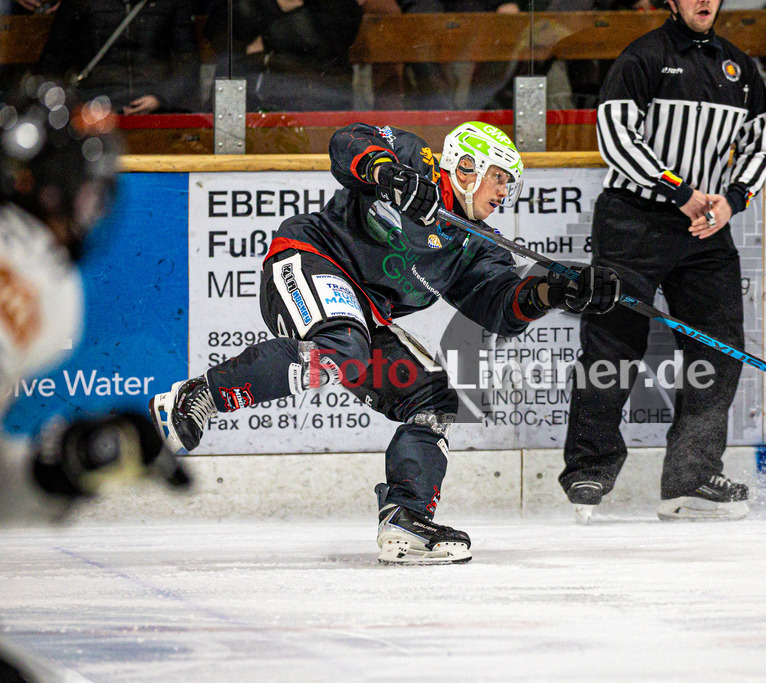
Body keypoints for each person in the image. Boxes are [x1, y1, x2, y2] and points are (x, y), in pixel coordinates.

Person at [148, 121, 621, 564]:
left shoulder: (477, 242)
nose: (504, 193)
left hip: (366, 314)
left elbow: (500, 304)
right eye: (498, 177)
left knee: (431, 397)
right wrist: (386, 171)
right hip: (311, 259)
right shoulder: (415, 158)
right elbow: (347, 142)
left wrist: (558, 292)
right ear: (466, 166)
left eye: (509, 185)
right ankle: (200, 397)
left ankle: (406, 519)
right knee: (340, 350)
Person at [560, 0, 766, 524]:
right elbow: (615, 138)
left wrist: (732, 200)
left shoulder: (740, 67)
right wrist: (677, 189)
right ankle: (590, 468)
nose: (704, 1)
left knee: (718, 348)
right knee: (612, 344)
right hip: (633, 220)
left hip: (704, 227)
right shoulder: (643, 58)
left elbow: (759, 144)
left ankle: (691, 474)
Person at [0, 82, 189, 677]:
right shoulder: (41, 286)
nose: (93, 209)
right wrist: (57, 469)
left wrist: (59, 467)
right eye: (86, 193)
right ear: (46, 184)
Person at [32, 0, 200, 115]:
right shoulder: (80, 3)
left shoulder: (170, 3)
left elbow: (188, 65)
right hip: (94, 107)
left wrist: (160, 98)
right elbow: (52, 64)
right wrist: (78, 104)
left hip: (156, 108)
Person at [203, 0, 364, 112]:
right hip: (240, 106)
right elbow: (217, 30)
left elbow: (329, 39)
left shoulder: (338, 7)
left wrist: (265, 40)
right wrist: (277, 6)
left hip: (312, 103)